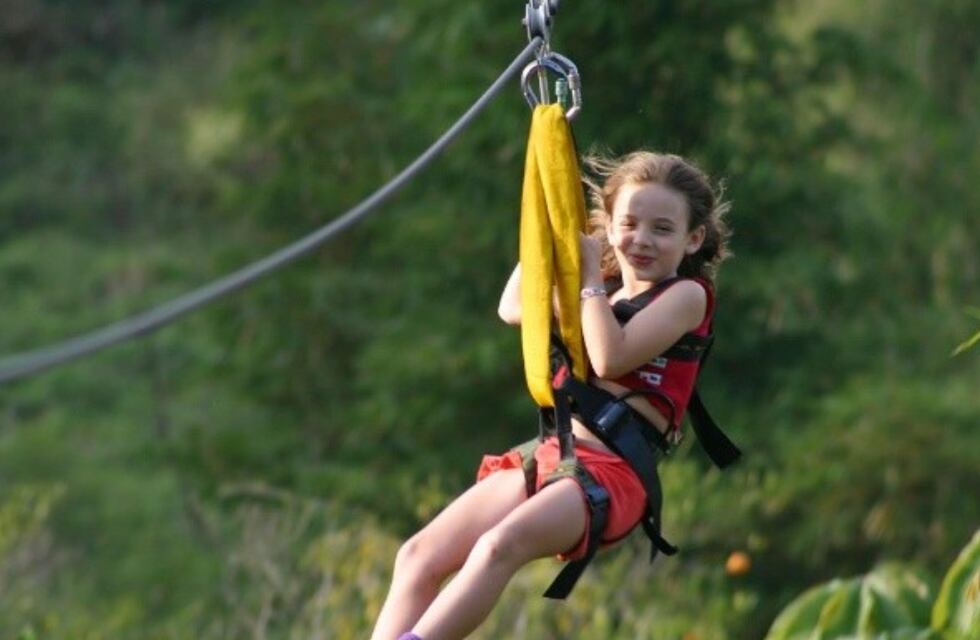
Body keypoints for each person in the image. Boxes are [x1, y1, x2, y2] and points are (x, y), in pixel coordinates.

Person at [370, 151, 731, 640]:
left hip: (613, 472)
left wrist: (585, 279)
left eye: (662, 230)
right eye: (629, 224)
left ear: (693, 239)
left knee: (499, 545)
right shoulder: (601, 289)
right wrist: (549, 222)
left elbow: (609, 357)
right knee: (416, 555)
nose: (642, 240)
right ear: (609, 224)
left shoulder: (686, 296)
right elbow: (516, 306)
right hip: (554, 455)